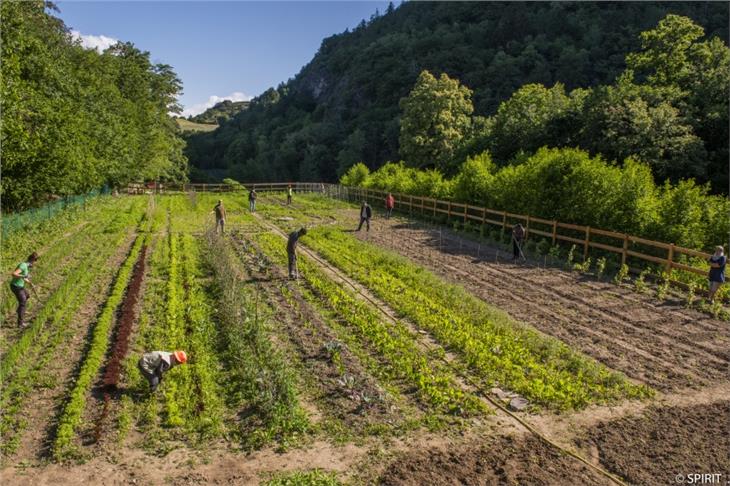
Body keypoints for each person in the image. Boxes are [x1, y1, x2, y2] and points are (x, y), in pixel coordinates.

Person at [10, 252, 39, 328]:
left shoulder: (26, 266)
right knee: (22, 302)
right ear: (32, 260)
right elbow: (13, 274)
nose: (34, 264)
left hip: (20, 286)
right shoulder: (23, 265)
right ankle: (20, 324)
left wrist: (30, 283)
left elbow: (23, 277)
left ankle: (19, 310)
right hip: (15, 286)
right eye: (35, 262)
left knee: (27, 296)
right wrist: (24, 275)